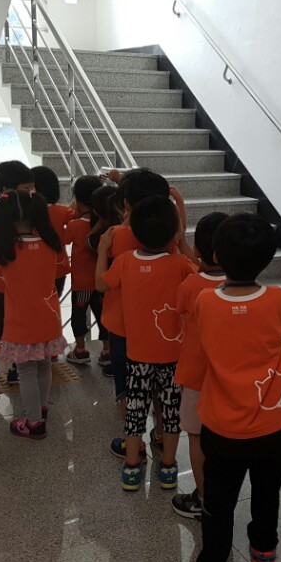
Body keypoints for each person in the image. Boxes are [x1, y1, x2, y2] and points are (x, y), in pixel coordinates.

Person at [177, 213, 281, 562]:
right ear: (268, 259)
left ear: (215, 255)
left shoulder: (206, 301)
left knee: (219, 504)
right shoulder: (277, 298)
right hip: (273, 422)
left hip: (223, 425)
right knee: (267, 492)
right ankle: (264, 551)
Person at [96, 196, 196, 491]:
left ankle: (131, 467)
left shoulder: (125, 261)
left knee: (135, 408)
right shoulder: (180, 264)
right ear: (173, 231)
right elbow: (202, 276)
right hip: (173, 357)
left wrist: (102, 250)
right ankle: (168, 467)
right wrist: (182, 240)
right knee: (171, 411)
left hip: (136, 355)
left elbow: (100, 284)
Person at [0, 189, 67, 440]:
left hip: (20, 321)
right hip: (49, 318)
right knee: (44, 365)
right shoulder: (50, 244)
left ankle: (33, 422)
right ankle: (41, 409)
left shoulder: (3, 249)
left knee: (26, 372)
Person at [171, 211, 228, 520]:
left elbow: (180, 308)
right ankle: (221, 492)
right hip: (228, 377)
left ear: (197, 250)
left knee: (196, 436)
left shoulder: (191, 285)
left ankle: (205, 499)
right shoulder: (241, 286)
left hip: (195, 375)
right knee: (222, 436)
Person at [0, 161, 35, 385]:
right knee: (8, 324)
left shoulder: (0, 212)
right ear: (7, 189)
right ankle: (15, 366)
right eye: (26, 188)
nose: (31, 192)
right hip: (7, 282)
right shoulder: (10, 214)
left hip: (0, 282)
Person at [63, 175, 106, 364]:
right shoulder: (105, 225)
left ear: (78, 201)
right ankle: (107, 351)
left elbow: (64, 240)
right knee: (103, 316)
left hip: (81, 284)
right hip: (101, 281)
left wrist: (74, 210)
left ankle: (80, 350)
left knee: (79, 316)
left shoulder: (75, 225)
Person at [87, 183, 123, 370]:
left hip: (107, 286)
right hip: (126, 285)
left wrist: (98, 224)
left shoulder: (100, 237)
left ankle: (111, 357)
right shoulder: (127, 232)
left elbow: (88, 240)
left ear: (96, 212)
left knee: (110, 323)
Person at [33, 165, 75, 297]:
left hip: (34, 266)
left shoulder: (26, 213)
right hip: (58, 266)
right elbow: (77, 215)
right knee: (54, 300)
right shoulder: (62, 211)